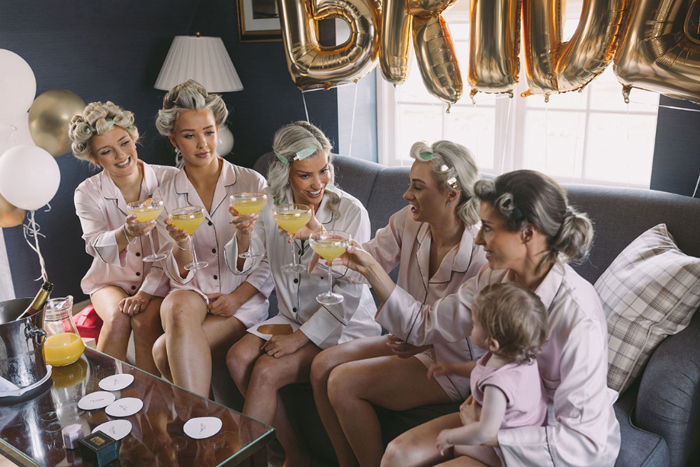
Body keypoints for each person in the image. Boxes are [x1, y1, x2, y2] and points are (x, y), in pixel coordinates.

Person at [339, 170, 620, 466]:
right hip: (494, 417)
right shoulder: (493, 276)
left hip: (542, 443)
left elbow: (582, 441)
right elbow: (428, 324)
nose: (478, 238)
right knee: (397, 455)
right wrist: (369, 269)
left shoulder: (578, 317)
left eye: (487, 227)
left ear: (528, 233)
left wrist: (490, 436)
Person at [308, 141, 487, 467]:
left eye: (417, 187)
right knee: (322, 365)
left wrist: (369, 268)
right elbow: (368, 261)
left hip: (453, 360)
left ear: (452, 193)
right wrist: (326, 253)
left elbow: (432, 324)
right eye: (409, 184)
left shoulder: (482, 253)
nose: (406, 195)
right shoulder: (409, 219)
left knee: (343, 383)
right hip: (410, 337)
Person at [224, 121, 381, 466]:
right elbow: (245, 265)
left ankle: (246, 461)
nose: (318, 183)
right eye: (305, 175)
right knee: (236, 358)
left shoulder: (350, 212)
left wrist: (300, 340)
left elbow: (352, 293)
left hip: (344, 327)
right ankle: (295, 453)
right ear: (285, 173)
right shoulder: (269, 206)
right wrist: (245, 235)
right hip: (291, 317)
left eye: (324, 170)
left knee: (266, 371)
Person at [151, 79, 273, 398]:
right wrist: (180, 246)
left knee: (164, 352)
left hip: (240, 299)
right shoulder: (164, 194)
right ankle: (204, 426)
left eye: (208, 131)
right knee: (177, 303)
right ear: (174, 140)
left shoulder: (250, 182)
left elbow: (272, 257)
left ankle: (200, 427)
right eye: (190, 136)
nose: (202, 143)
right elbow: (179, 275)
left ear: (218, 128)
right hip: (195, 294)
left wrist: (237, 298)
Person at [70, 101, 177, 375]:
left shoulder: (170, 179)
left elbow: (174, 245)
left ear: (134, 138)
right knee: (117, 318)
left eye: (125, 142)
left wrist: (145, 292)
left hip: (161, 278)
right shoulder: (87, 192)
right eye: (107, 151)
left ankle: (149, 408)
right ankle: (99, 402)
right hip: (110, 279)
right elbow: (94, 246)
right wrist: (125, 233)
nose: (121, 155)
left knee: (143, 322)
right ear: (95, 159)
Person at [430, 282, 548, 466]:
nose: (471, 328)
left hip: (512, 453)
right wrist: (452, 368)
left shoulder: (498, 385)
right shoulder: (518, 354)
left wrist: (450, 436)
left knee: (459, 447)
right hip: (525, 433)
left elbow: (486, 432)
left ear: (493, 344)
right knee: (461, 448)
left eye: (474, 325)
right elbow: (480, 368)